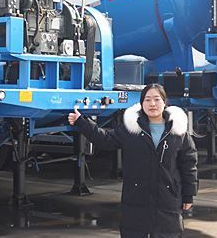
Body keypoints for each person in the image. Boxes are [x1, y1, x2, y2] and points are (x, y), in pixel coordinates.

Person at [68, 84, 198, 237]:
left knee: (168, 233)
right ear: (142, 104)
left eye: (157, 99)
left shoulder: (178, 131)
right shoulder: (131, 129)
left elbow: (189, 164)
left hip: (168, 198)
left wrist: (188, 195)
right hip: (136, 197)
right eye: (147, 100)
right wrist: (82, 123)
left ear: (165, 102)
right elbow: (105, 139)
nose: (152, 104)